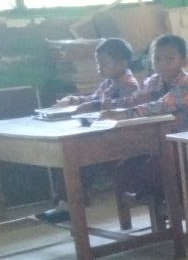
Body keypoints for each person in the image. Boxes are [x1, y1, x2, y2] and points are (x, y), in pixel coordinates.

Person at [35, 37, 142, 222]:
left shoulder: (129, 85)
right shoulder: (108, 83)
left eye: (103, 63)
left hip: (122, 144)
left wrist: (94, 105)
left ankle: (69, 206)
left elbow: (124, 105)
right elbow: (91, 98)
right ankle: (64, 205)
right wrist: (72, 100)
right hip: (105, 139)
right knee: (67, 156)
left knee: (79, 158)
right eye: (97, 63)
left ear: (122, 63)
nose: (99, 68)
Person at [103, 35, 188, 200]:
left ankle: (180, 197)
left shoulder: (187, 84)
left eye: (169, 59)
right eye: (157, 59)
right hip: (158, 139)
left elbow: (160, 106)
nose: (162, 64)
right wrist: (108, 106)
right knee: (124, 168)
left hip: (186, 141)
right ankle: (163, 197)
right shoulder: (153, 81)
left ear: (183, 61)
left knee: (154, 170)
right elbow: (135, 100)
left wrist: (125, 114)